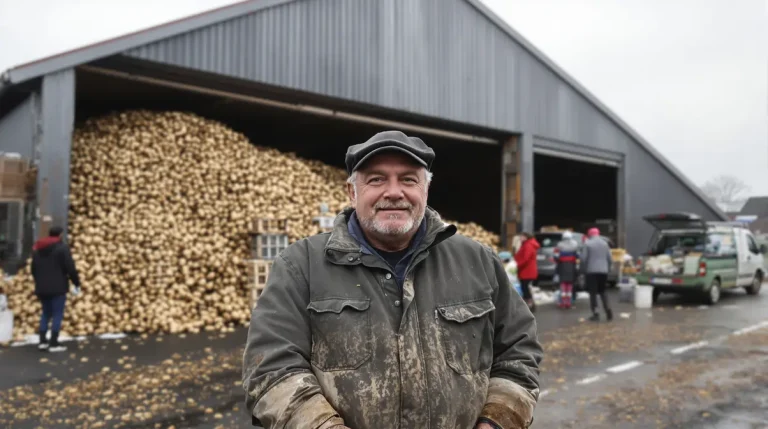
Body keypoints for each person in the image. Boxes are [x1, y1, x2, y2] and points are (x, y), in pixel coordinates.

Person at [242, 130, 542, 429]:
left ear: (425, 190)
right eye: (376, 179)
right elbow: (271, 369)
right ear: (352, 192)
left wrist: (497, 420)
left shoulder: (478, 262)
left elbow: (519, 352)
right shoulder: (301, 265)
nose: (394, 192)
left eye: (408, 180)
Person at [31, 226, 81, 352]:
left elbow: (33, 269)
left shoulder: (38, 249)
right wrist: (76, 283)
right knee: (57, 314)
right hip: (58, 287)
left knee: (46, 313)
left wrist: (39, 282)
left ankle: (42, 341)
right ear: (60, 235)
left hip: (42, 287)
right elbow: (70, 267)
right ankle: (54, 343)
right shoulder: (62, 248)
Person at [581, 227, 613, 322]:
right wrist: (608, 268)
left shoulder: (587, 243)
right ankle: (608, 311)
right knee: (603, 291)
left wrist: (582, 270)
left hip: (591, 272)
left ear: (590, 234)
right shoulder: (605, 244)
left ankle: (595, 313)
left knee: (593, 293)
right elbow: (610, 259)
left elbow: (583, 259)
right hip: (603, 271)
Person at [514, 232, 540, 313]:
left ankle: (529, 304)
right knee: (524, 287)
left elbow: (526, 258)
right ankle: (529, 304)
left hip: (527, 270)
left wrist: (516, 265)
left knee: (525, 287)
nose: (520, 238)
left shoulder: (528, 245)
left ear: (526, 237)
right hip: (526, 270)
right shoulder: (526, 244)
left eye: (522, 236)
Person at [554, 231, 579, 309]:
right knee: (570, 284)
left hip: (562, 266)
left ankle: (563, 302)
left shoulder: (559, 245)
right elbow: (578, 256)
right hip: (572, 266)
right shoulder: (575, 244)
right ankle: (569, 302)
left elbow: (556, 256)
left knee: (563, 284)